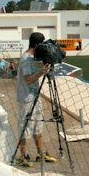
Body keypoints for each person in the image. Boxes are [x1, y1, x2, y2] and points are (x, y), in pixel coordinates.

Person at [15, 32, 58, 165]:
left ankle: (41, 153)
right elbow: (28, 79)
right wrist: (41, 72)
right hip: (26, 98)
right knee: (25, 127)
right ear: (37, 44)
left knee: (38, 126)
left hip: (35, 96)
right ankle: (24, 156)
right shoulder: (26, 59)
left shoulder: (33, 58)